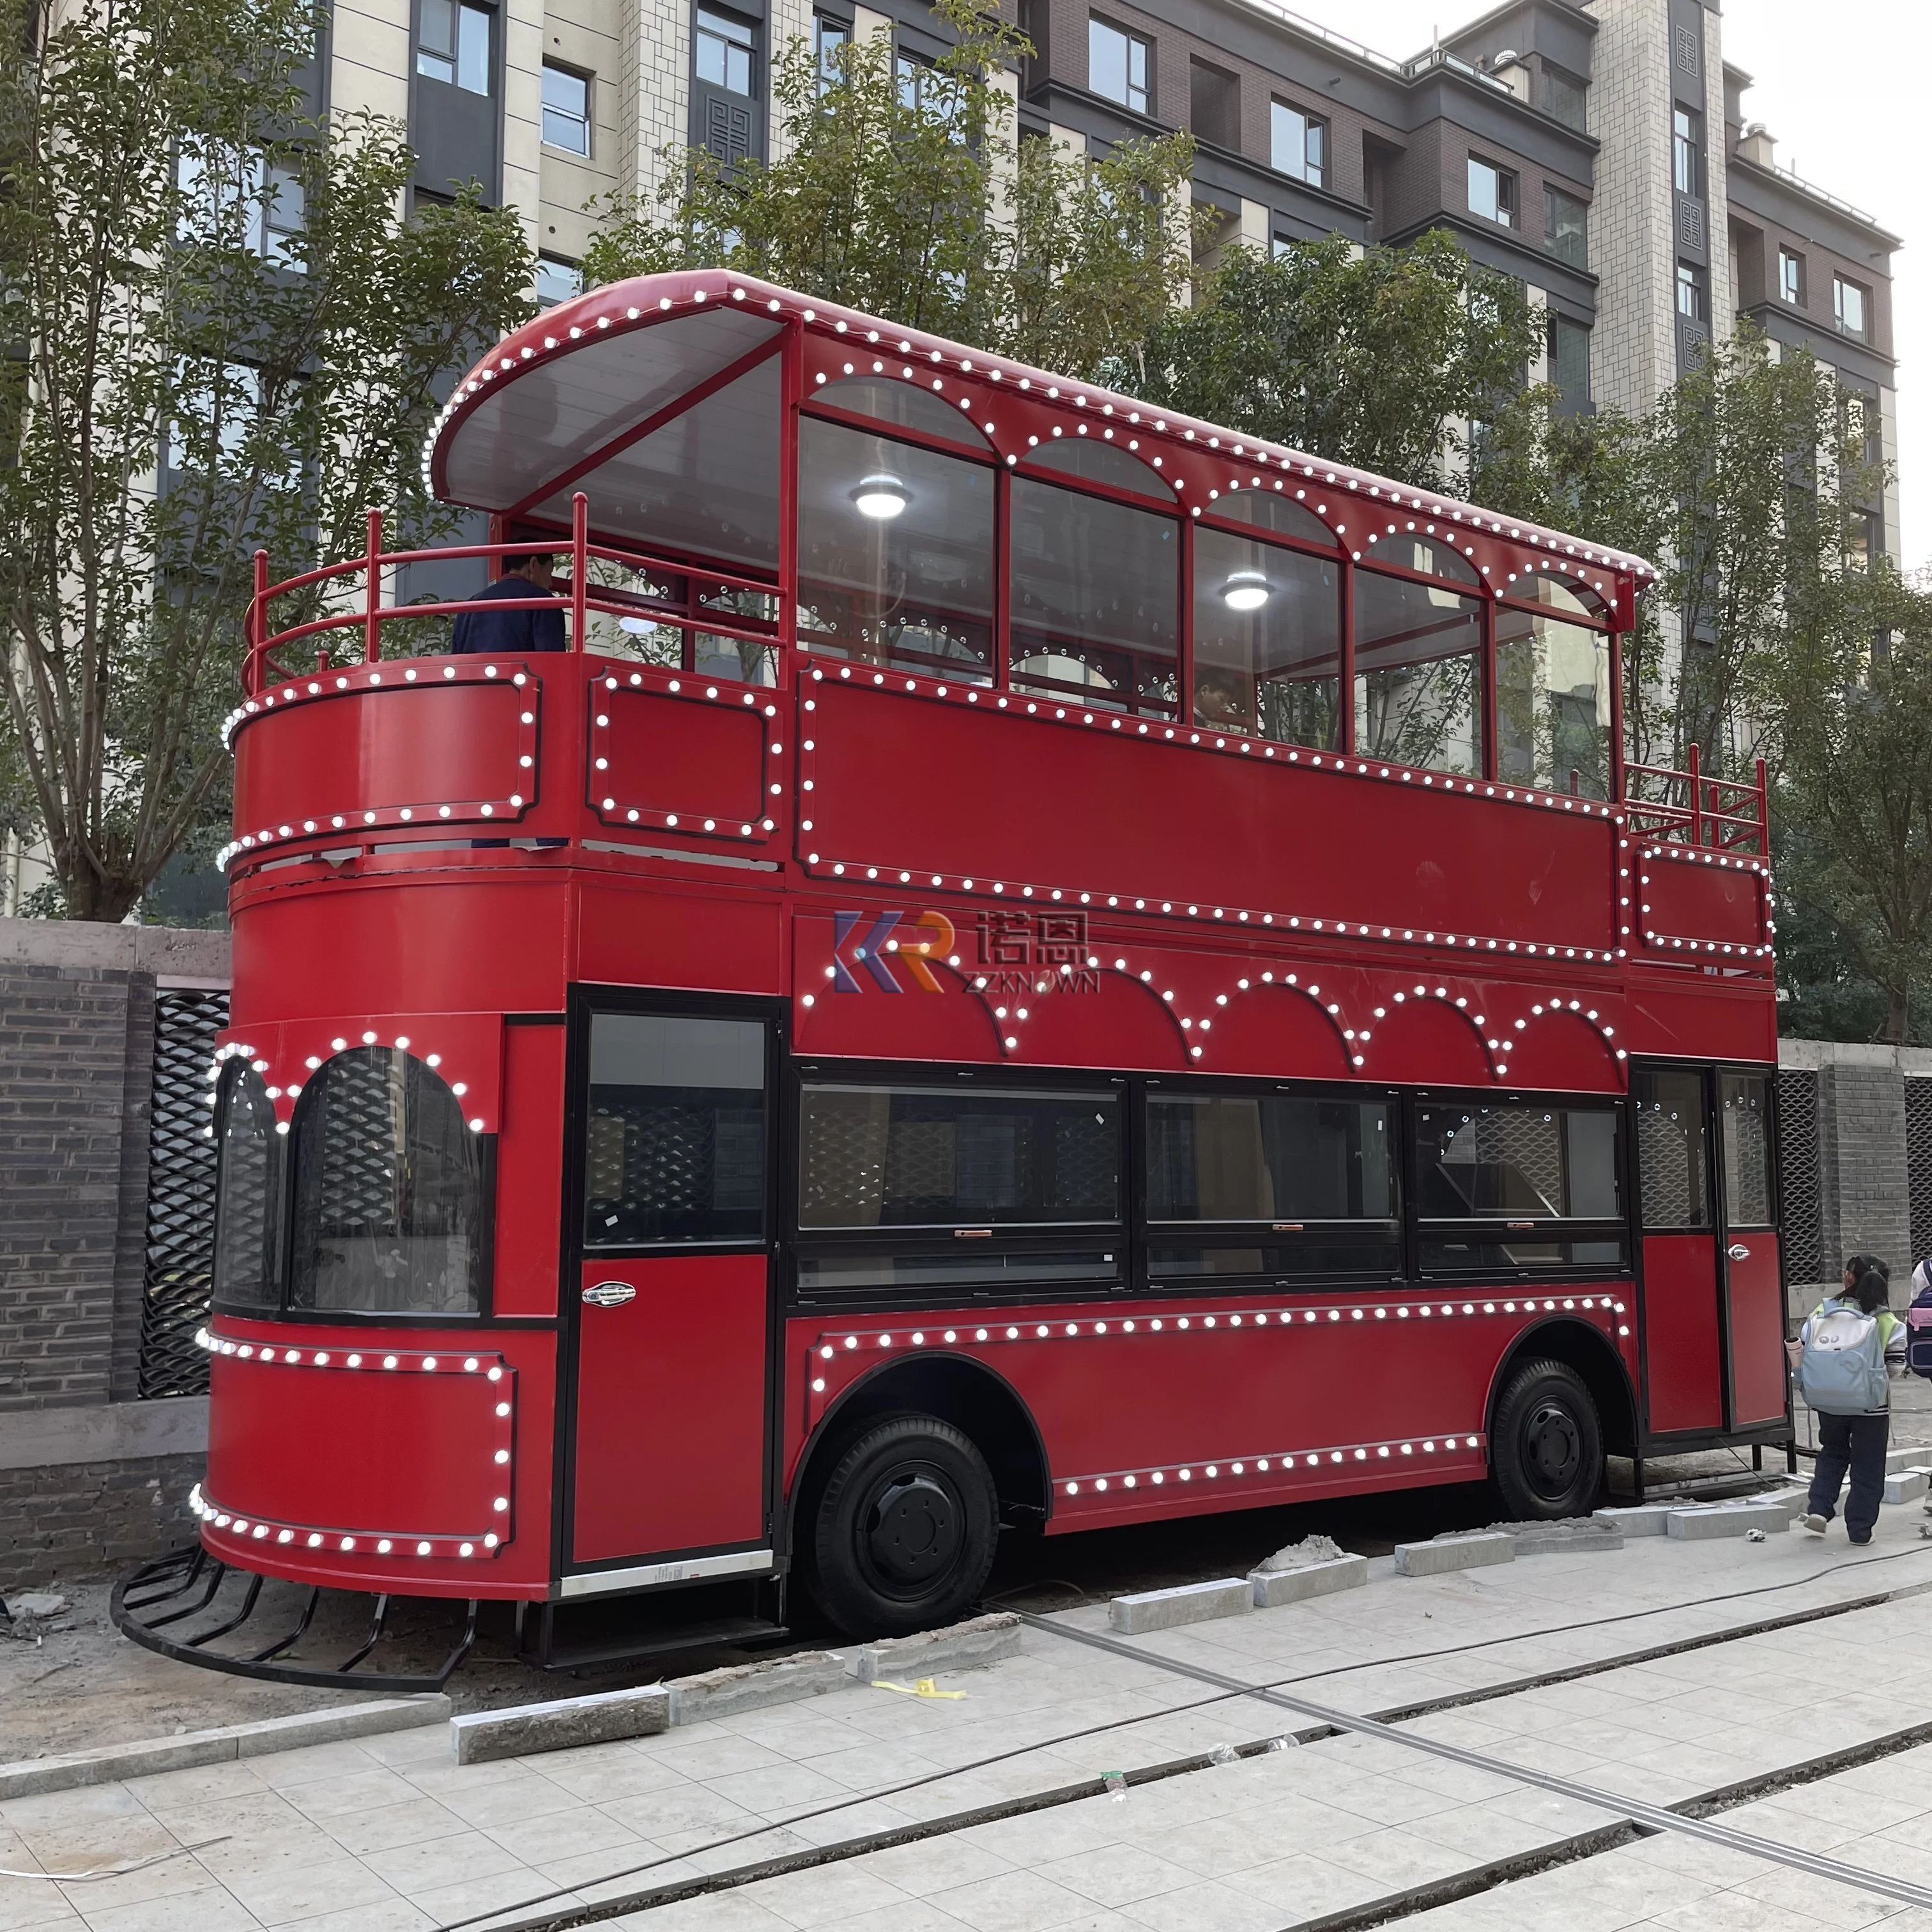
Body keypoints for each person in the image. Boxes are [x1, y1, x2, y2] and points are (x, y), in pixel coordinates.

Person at [1790, 1254, 1905, 1544]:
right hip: (1871, 1406)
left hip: (1828, 1400)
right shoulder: (1888, 1321)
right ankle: (1860, 1530)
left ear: (1848, 1278)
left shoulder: (1822, 1312)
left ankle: (1819, 1508)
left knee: (1832, 1452)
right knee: (1868, 1465)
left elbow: (1804, 1348)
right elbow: (1895, 1367)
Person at [450, 553, 567, 656]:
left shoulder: (469, 605)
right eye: (549, 573)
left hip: (474, 678)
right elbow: (552, 660)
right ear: (534, 564)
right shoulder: (544, 602)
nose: (550, 583)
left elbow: (457, 658)